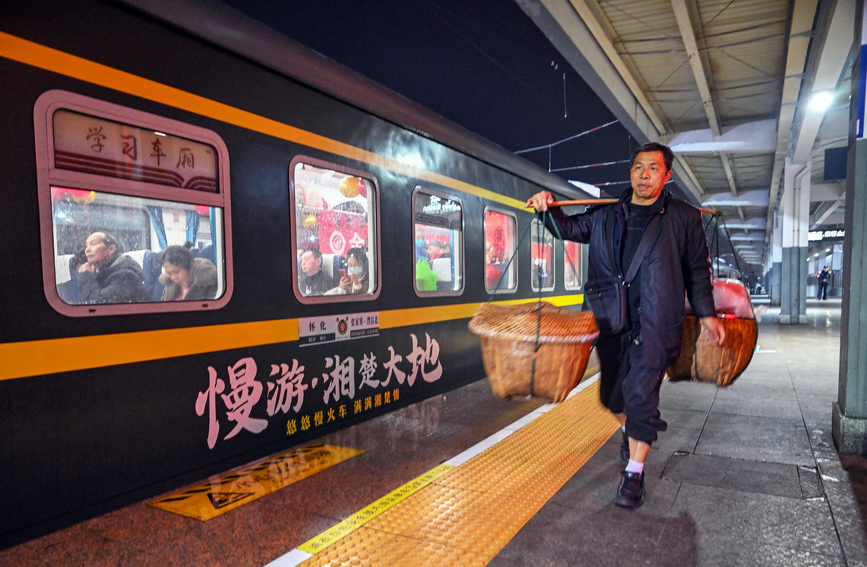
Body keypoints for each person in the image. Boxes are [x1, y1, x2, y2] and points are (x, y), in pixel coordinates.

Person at [527, 142, 725, 509]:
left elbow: (698, 271)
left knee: (640, 396)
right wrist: (545, 209)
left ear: (667, 175)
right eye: (638, 167)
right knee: (611, 398)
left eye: (653, 168)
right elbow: (567, 228)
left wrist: (707, 314)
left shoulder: (683, 217)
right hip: (611, 320)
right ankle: (630, 429)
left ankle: (634, 474)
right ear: (630, 172)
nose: (644, 175)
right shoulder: (606, 214)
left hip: (657, 322)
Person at [75, 231, 145, 303]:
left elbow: (98, 304)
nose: (87, 250)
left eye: (93, 244)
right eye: (86, 246)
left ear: (111, 249)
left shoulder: (126, 276)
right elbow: (75, 260)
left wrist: (86, 276)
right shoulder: (103, 269)